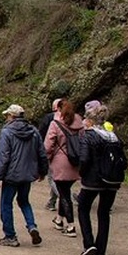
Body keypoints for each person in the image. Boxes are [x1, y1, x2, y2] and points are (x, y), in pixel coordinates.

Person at [0, 104, 48, 247]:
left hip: (11, 175)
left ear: (11, 116)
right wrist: (43, 171)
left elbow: (3, 156)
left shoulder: (7, 132)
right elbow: (42, 153)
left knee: (6, 204)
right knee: (24, 201)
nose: (6, 118)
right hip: (28, 174)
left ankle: (10, 236)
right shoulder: (34, 131)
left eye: (7, 115)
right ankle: (31, 226)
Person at [78, 102, 123, 255]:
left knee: (83, 207)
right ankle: (101, 250)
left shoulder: (88, 136)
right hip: (112, 180)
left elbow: (84, 159)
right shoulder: (114, 137)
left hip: (93, 179)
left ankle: (89, 243)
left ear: (90, 121)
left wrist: (81, 174)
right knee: (104, 213)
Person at [44, 99, 84, 237]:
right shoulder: (80, 124)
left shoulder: (55, 124)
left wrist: (46, 160)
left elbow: (48, 145)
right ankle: (59, 220)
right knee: (65, 190)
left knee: (64, 194)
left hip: (60, 163)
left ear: (59, 109)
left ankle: (71, 225)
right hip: (75, 162)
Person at [38, 98, 63, 211]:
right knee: (58, 178)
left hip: (52, 152)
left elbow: (41, 133)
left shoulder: (49, 118)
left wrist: (41, 151)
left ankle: (64, 198)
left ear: (54, 107)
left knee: (52, 178)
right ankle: (51, 202)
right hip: (67, 154)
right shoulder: (71, 118)